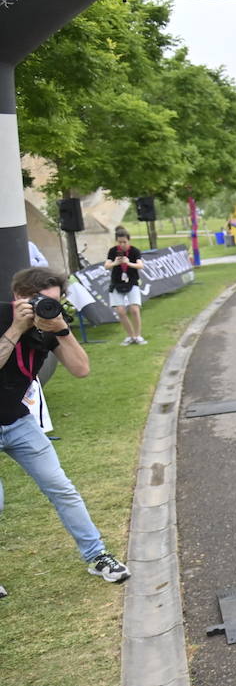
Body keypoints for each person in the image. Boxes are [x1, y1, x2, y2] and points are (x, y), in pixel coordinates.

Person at [1, 268, 130, 587]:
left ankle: (97, 556)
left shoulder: (48, 325)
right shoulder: (4, 317)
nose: (47, 306)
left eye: (54, 301)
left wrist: (61, 329)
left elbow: (82, 369)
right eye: (40, 301)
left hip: (16, 420)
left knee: (61, 487)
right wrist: (17, 328)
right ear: (19, 297)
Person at [103, 226, 147, 346]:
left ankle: (138, 335)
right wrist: (115, 262)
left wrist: (129, 263)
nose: (122, 244)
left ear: (129, 241)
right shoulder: (113, 251)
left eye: (124, 242)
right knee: (121, 311)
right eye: (119, 242)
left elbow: (140, 265)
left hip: (132, 282)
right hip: (116, 283)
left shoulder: (134, 251)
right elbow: (106, 265)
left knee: (134, 309)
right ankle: (130, 336)